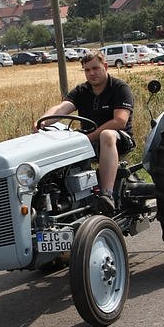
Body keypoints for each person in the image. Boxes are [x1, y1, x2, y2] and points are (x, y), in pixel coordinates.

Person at [35, 50, 135, 215]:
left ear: (105, 66)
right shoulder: (82, 91)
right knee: (57, 137)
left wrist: (89, 137)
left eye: (95, 68)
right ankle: (61, 198)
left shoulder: (119, 88)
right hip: (88, 141)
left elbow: (120, 121)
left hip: (119, 139)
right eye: (87, 70)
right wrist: (43, 121)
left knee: (107, 134)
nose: (91, 73)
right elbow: (62, 108)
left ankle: (107, 195)